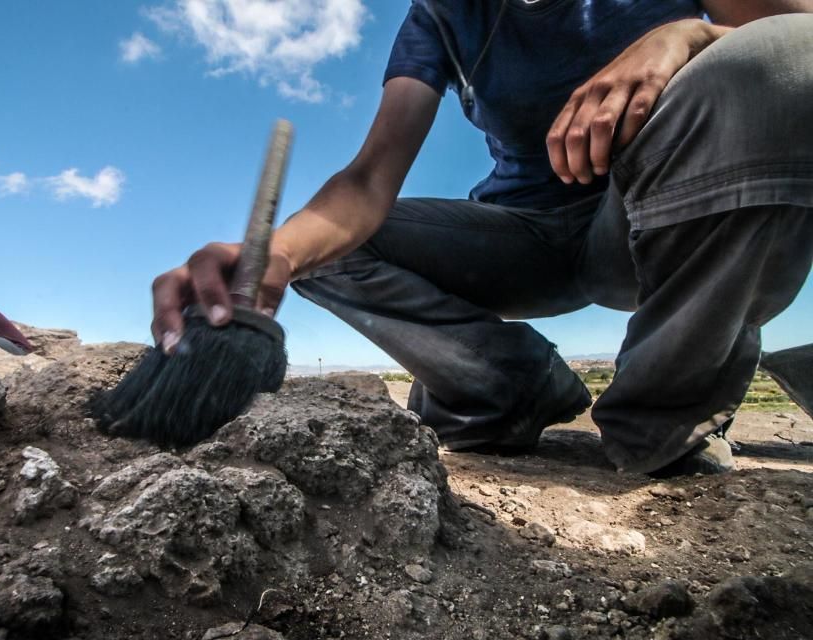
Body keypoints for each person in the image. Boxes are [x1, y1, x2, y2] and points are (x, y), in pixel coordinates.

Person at [151, 1, 813, 477]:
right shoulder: (441, 15)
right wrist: (278, 254)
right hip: (524, 240)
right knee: (327, 245)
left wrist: (687, 35)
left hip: (646, 225)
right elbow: (369, 179)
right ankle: (508, 386)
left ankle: (667, 415)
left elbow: (796, 42)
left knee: (779, 57)